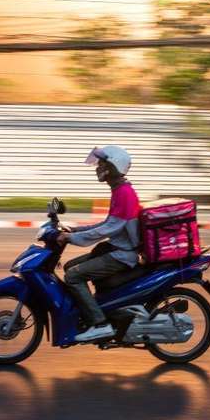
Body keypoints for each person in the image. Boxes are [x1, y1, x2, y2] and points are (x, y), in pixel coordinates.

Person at [57, 145, 141, 342]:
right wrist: (75, 230)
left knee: (73, 276)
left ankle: (99, 324)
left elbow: (109, 228)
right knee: (70, 266)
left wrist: (72, 238)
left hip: (123, 254)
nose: (98, 167)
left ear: (113, 166)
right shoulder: (120, 190)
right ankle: (92, 310)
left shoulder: (124, 193)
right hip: (116, 248)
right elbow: (107, 223)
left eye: (102, 163)